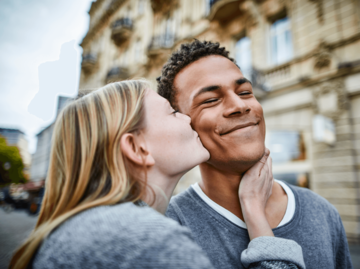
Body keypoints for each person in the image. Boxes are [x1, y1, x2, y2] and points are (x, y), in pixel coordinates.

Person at [10, 80, 304, 269]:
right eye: (172, 112)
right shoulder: (143, 240)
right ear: (138, 148)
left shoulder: (88, 227)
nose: (188, 117)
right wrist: (254, 211)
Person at [157, 40, 353, 269]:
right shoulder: (167, 228)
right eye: (210, 100)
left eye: (245, 92)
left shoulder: (321, 210)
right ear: (182, 127)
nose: (239, 105)